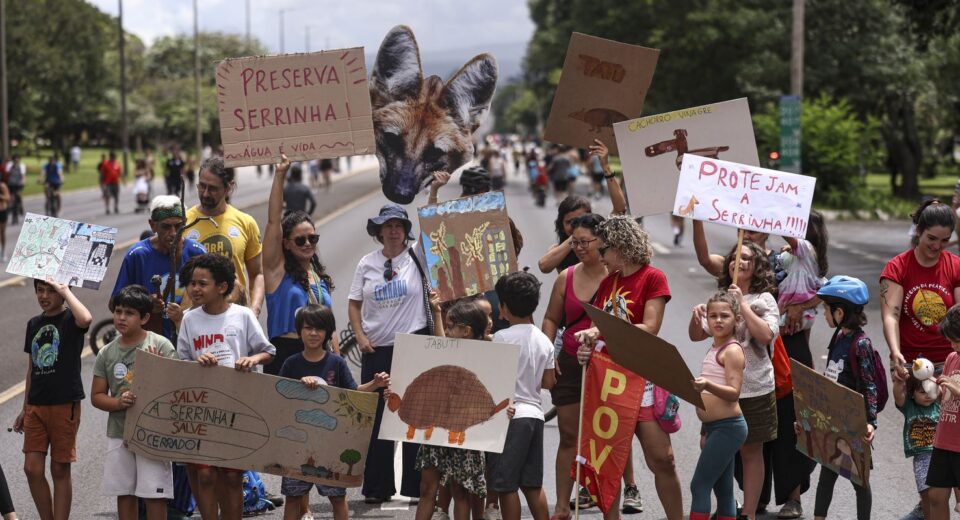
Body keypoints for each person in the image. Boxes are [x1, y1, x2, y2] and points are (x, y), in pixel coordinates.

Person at [575, 216, 682, 519]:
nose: (600, 256)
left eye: (604, 249)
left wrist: (601, 333)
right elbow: (596, 330)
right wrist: (587, 348)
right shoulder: (609, 281)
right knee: (608, 463)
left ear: (621, 247)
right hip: (608, 380)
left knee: (662, 459)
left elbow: (650, 327)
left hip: (641, 379)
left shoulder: (653, 277)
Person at [541, 213, 643, 517]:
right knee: (569, 435)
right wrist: (548, 355)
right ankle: (562, 504)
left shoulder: (618, 276)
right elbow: (550, 318)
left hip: (611, 368)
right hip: (572, 363)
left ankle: (616, 498)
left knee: (610, 436)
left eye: (586, 242)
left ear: (603, 242)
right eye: (575, 242)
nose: (580, 248)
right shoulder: (567, 276)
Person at [175, 253, 275, 520]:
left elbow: (268, 351)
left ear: (221, 286)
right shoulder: (189, 319)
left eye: (202, 283)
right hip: (201, 408)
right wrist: (196, 361)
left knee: (232, 477)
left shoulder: (242, 316)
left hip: (237, 407)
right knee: (205, 474)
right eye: (192, 283)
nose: (194, 289)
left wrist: (251, 359)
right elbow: (180, 361)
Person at [689, 239, 779, 520]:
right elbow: (697, 334)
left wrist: (742, 303)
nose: (739, 263)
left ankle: (749, 513)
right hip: (718, 399)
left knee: (752, 452)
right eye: (735, 258)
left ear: (757, 267)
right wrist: (698, 317)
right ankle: (726, 509)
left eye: (748, 259)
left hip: (754, 388)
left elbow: (765, 336)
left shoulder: (764, 300)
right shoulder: (720, 300)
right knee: (715, 455)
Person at [349, 203, 430, 503]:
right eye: (388, 226)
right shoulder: (366, 263)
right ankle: (377, 487)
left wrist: (433, 191)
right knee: (376, 420)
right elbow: (354, 303)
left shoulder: (416, 256)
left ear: (406, 231)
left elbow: (433, 224)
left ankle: (416, 487)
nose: (394, 231)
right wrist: (359, 336)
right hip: (376, 351)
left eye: (399, 226)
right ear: (379, 232)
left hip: (413, 348)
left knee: (413, 418)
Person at [279, 304, 390, 520]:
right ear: (299, 330)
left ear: (328, 332)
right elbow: (280, 397)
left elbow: (352, 392)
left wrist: (375, 384)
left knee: (337, 497)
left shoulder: (336, 362)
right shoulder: (291, 364)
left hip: (331, 443)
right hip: (297, 443)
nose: (313, 333)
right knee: (293, 497)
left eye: (319, 329)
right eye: (308, 328)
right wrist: (298, 384)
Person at [91, 285, 177, 520]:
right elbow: (97, 396)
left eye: (129, 313)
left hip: (153, 433)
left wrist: (156, 368)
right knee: (124, 492)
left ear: (145, 318)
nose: (121, 317)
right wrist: (118, 403)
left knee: (154, 494)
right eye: (118, 311)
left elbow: (175, 392)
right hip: (120, 433)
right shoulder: (107, 353)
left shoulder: (161, 346)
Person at [13, 278, 92, 520]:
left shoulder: (71, 320)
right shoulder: (34, 324)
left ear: (62, 293)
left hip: (63, 403)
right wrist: (25, 408)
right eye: (40, 290)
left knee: (60, 468)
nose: (44, 296)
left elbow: (86, 319)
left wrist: (65, 289)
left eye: (50, 291)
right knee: (32, 469)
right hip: (36, 405)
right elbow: (31, 369)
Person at [803, 276, 877, 520]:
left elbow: (869, 385)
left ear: (840, 312)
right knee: (827, 475)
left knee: (860, 481)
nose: (824, 315)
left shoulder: (861, 343)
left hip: (854, 421)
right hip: (833, 418)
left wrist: (870, 422)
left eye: (826, 310)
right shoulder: (839, 338)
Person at [409, 298, 489, 520]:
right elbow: (439, 341)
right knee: (427, 489)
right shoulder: (444, 351)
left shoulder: (488, 356)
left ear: (466, 331)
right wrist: (436, 312)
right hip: (436, 429)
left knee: (460, 490)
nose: (447, 331)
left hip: (466, 431)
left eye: (451, 326)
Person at [487, 272, 556, 520]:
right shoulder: (544, 340)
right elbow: (549, 382)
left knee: (505, 485)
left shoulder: (501, 337)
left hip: (510, 417)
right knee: (531, 484)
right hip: (535, 416)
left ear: (504, 307)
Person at [264, 155, 336, 377]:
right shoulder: (277, 272)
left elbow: (330, 329)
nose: (307, 244)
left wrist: (338, 364)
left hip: (320, 359)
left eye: (312, 239)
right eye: (300, 240)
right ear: (286, 243)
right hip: (286, 357)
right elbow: (274, 221)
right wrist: (280, 175)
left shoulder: (318, 279)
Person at [882, 199, 960, 380]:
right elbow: (891, 315)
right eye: (931, 238)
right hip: (911, 362)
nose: (937, 246)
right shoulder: (897, 267)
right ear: (918, 231)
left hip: (950, 361)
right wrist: (895, 352)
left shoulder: (955, 266)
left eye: (945, 240)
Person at [687, 292, 747, 520]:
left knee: (699, 485)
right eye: (712, 316)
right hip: (716, 428)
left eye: (724, 316)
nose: (718, 321)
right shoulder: (715, 346)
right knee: (724, 492)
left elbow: (734, 394)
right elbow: (693, 334)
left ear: (737, 319)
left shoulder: (732, 350)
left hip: (729, 427)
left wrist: (707, 386)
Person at [112, 195, 206, 341]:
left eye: (178, 226)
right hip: (150, 345)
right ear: (153, 225)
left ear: (185, 224)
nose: (173, 233)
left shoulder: (197, 253)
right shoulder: (137, 255)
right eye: (166, 227)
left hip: (193, 340)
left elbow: (214, 299)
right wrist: (146, 304)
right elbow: (114, 304)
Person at [185, 156, 265, 316]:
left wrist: (254, 309)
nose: (205, 194)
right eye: (202, 186)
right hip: (195, 320)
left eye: (213, 188)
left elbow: (257, 274)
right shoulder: (183, 222)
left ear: (229, 187)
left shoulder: (246, 222)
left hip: (235, 318)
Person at [538, 140, 626, 274]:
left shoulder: (602, 239)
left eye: (581, 220)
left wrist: (605, 166)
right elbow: (544, 266)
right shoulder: (559, 249)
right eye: (570, 222)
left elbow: (620, 209)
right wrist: (575, 238)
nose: (576, 225)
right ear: (561, 224)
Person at [925, 305, 960, 519]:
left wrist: (956, 388)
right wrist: (932, 387)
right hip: (944, 440)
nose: (953, 344)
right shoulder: (951, 359)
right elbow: (943, 395)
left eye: (957, 339)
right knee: (936, 497)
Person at [894, 366, 941, 520]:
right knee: (926, 495)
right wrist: (899, 381)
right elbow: (898, 395)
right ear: (912, 394)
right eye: (922, 392)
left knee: (938, 496)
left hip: (940, 456)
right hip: (921, 458)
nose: (928, 395)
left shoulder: (940, 404)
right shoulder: (909, 407)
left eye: (930, 391)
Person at [5, 155, 24, 225]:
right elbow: (7, 175)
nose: (16, 162)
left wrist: (23, 182)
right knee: (12, 200)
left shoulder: (21, 166)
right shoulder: (10, 166)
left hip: (18, 185)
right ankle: (14, 216)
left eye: (17, 160)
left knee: (18, 196)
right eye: (15, 160)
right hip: (11, 185)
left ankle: (20, 205)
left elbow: (23, 176)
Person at [0, 179, 10, 261]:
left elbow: (8, 198)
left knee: (2, 232)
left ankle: (3, 251)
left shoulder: (2, 186)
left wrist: (1, 196)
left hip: (2, 212)